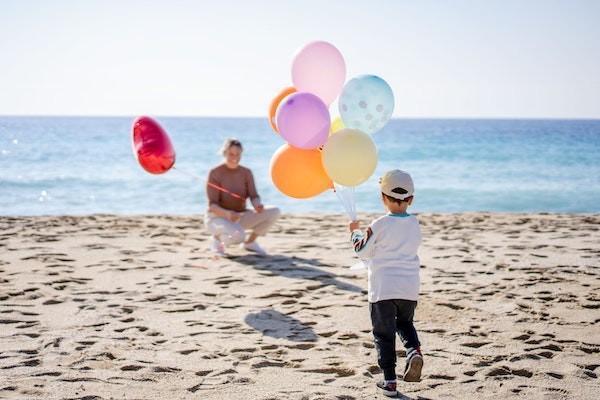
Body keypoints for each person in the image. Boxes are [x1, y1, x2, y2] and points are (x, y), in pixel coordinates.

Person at [348, 169, 423, 397]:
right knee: (405, 323)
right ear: (411, 199)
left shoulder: (378, 224)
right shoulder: (415, 224)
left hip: (382, 289)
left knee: (383, 334)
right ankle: (413, 351)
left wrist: (354, 233)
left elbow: (362, 251)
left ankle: (390, 381)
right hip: (409, 287)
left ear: (382, 197)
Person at [205, 138, 280, 256]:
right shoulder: (215, 173)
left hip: (239, 216)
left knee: (275, 211)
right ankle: (217, 240)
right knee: (239, 236)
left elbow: (254, 196)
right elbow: (212, 206)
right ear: (224, 153)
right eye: (231, 154)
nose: (234, 157)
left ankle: (250, 243)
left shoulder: (246, 172)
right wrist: (228, 214)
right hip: (217, 218)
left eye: (237, 154)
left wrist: (257, 205)